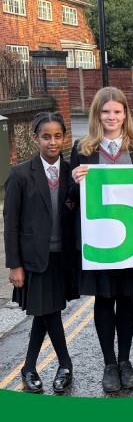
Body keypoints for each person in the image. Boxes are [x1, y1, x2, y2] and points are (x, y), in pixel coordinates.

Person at [69, 87, 133, 392]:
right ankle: (109, 363)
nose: (111, 117)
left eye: (117, 112)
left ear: (125, 114)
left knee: (127, 299)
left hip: (131, 239)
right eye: (105, 112)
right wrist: (74, 181)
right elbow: (70, 201)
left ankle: (125, 361)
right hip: (99, 242)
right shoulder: (82, 149)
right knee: (104, 300)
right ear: (97, 114)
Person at [5, 113, 78, 393]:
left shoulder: (72, 172)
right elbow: (10, 224)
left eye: (57, 136)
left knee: (44, 312)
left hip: (63, 258)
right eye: (46, 136)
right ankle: (64, 363)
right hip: (34, 260)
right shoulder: (20, 173)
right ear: (35, 138)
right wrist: (14, 265)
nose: (52, 142)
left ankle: (29, 367)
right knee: (49, 312)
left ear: (64, 138)